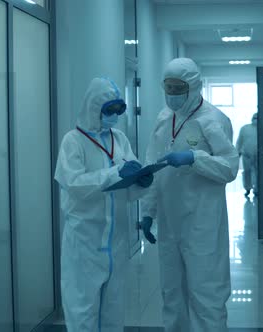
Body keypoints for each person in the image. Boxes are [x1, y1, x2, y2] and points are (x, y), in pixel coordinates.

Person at [140, 58, 239, 331]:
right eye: (168, 88)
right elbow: (153, 165)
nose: (172, 94)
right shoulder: (164, 119)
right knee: (172, 296)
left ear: (194, 86)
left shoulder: (214, 120)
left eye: (177, 87)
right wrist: (148, 212)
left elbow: (230, 168)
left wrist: (195, 158)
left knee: (207, 296)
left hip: (202, 225)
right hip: (170, 223)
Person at [54, 77, 154, 331]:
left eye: (118, 110)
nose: (114, 116)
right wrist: (115, 174)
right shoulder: (73, 141)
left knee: (114, 310)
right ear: (93, 108)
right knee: (82, 310)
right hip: (85, 240)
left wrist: (141, 181)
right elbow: (74, 184)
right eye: (109, 110)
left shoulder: (118, 138)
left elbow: (127, 180)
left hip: (116, 240)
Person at [236, 113, 258, 196]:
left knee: (258, 173)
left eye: (257, 118)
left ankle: (257, 189)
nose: (255, 120)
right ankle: (247, 189)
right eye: (254, 118)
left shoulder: (262, 129)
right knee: (247, 172)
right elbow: (239, 141)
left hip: (258, 156)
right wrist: (237, 152)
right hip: (246, 155)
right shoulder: (245, 128)